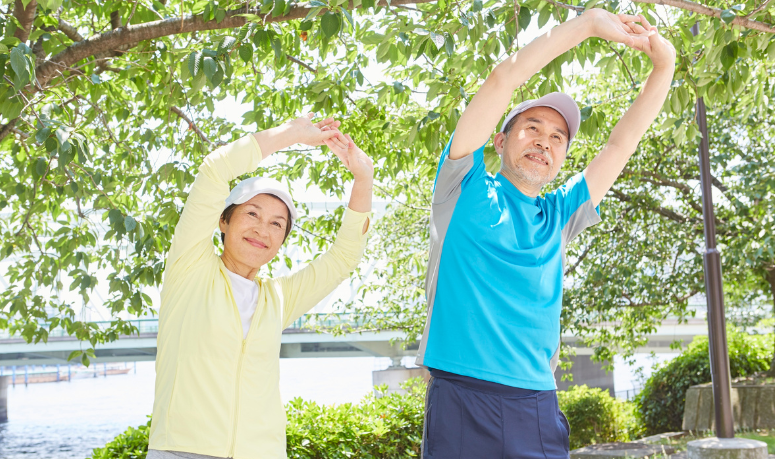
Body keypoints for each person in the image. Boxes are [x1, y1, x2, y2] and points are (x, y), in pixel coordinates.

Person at [416, 9, 675, 458]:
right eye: (531, 128)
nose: (545, 141)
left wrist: (664, 68)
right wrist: (589, 24)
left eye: (558, 137)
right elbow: (502, 79)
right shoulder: (462, 187)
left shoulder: (560, 214)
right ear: (499, 141)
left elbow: (621, 143)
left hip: (535, 405)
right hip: (460, 399)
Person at [147, 114, 373, 459]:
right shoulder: (189, 268)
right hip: (182, 450)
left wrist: (363, 178)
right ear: (223, 220)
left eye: (276, 224)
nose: (262, 230)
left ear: (281, 240)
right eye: (251, 214)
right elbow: (214, 170)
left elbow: (342, 259)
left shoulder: (278, 298)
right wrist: (290, 134)